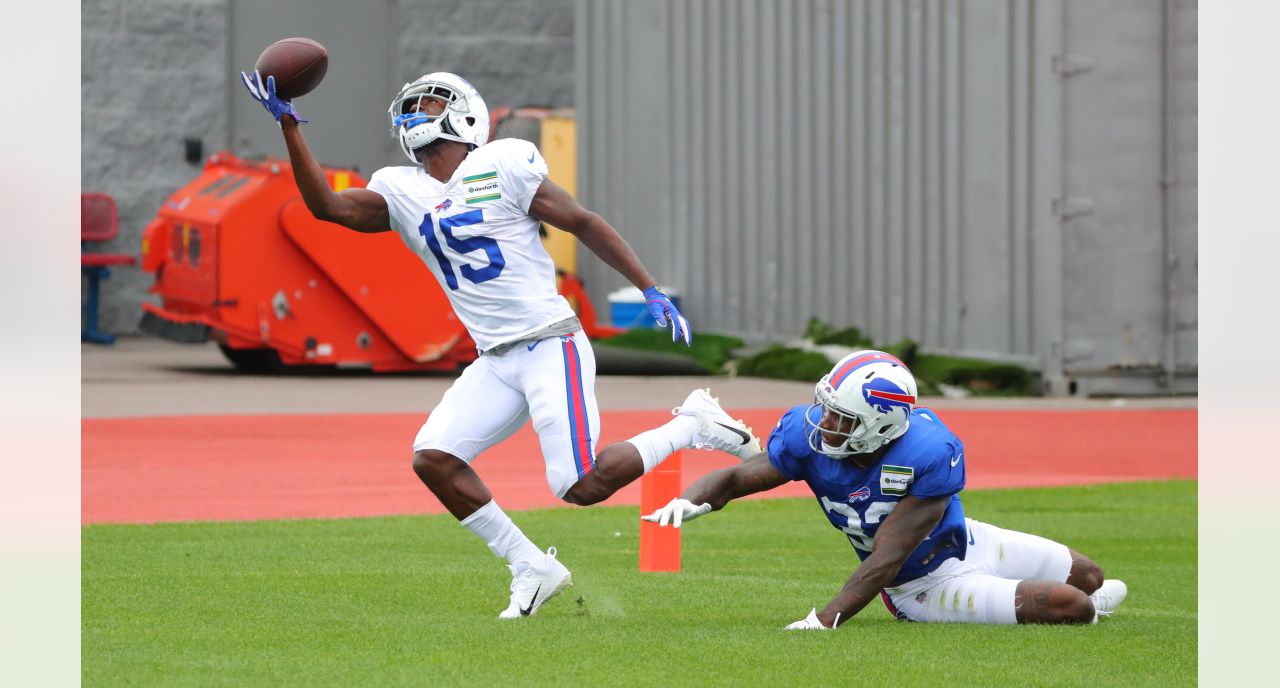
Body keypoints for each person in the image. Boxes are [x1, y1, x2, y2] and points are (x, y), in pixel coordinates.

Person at [241, 70, 762, 619]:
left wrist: (648, 287)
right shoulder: (401, 189)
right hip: (494, 358)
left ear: (467, 114)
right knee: (434, 459)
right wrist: (290, 125)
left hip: (548, 343)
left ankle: (693, 424)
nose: (418, 112)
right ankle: (530, 566)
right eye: (411, 105)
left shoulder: (504, 162)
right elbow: (327, 207)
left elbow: (582, 222)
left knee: (580, 485)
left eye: (432, 102)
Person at [644, 349, 1129, 628]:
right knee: (1075, 604)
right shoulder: (810, 438)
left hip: (961, 541)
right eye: (827, 406)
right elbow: (735, 477)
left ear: (881, 423)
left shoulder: (928, 451)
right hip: (921, 587)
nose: (825, 422)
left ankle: (1034, 595)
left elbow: (887, 552)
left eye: (841, 416)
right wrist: (695, 498)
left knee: (1090, 574)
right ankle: (1068, 610)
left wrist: (826, 617)